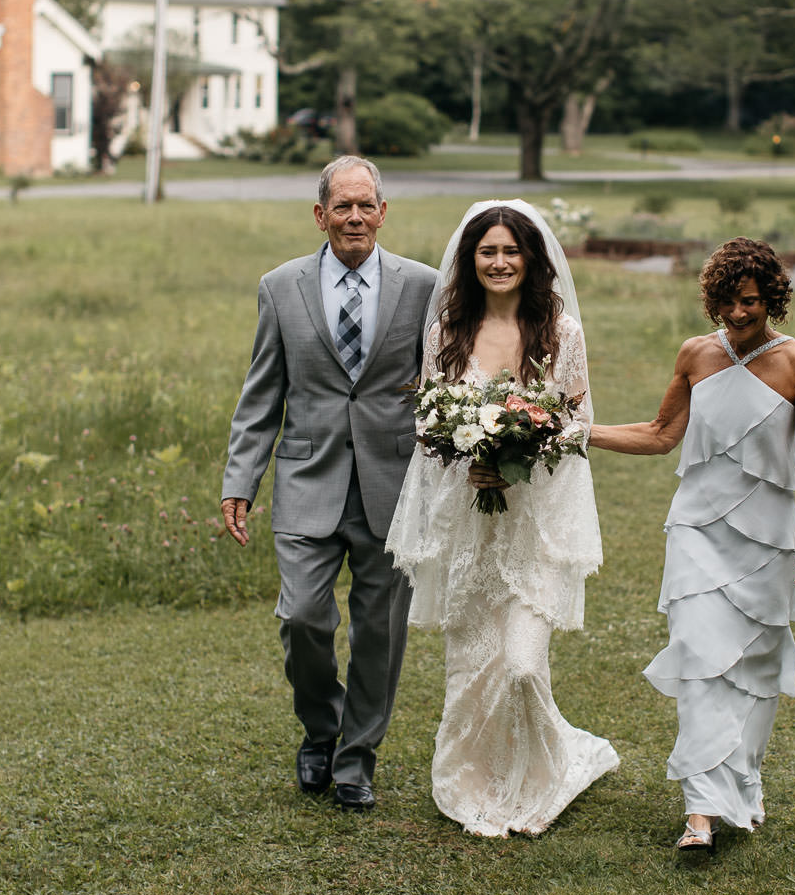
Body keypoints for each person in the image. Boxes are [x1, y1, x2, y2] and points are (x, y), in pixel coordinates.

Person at [589, 237, 795, 854]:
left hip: (767, 536)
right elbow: (659, 433)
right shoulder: (696, 355)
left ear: (771, 298)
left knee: (752, 667)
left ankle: (742, 785)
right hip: (697, 528)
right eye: (726, 301)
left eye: (749, 301)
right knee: (699, 657)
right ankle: (700, 812)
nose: (738, 313)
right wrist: (574, 430)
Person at [385, 200, 620, 837]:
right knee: (471, 663)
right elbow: (428, 420)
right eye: (486, 251)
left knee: (519, 663)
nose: (498, 262)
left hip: (532, 521)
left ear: (531, 259)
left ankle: (548, 769)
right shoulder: (447, 332)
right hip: (468, 519)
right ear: (470, 259)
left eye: (510, 251)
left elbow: (572, 427)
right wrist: (471, 455)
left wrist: (518, 454)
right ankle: (471, 779)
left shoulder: (561, 333)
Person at [220, 156, 439, 813]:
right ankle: (321, 730)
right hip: (306, 479)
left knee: (381, 633)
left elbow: (444, 388)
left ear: (382, 212)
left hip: (392, 487)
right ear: (320, 215)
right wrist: (241, 478)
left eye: (365, 205)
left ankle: (355, 761)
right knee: (304, 617)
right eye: (341, 207)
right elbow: (263, 394)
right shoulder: (280, 287)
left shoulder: (423, 286)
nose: (354, 217)